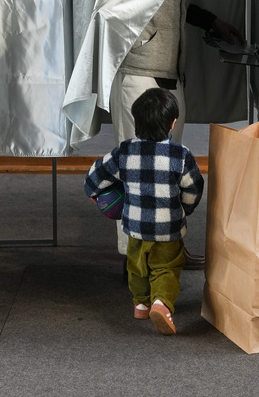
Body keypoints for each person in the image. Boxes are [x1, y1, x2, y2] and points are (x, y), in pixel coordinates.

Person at [109, 0, 241, 268]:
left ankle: (169, 247)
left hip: (167, 73)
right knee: (136, 168)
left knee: (165, 169)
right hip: (140, 70)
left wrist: (213, 21)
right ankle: (133, 258)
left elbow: (176, 8)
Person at [85, 88, 204, 335]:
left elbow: (95, 175)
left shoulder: (124, 151)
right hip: (168, 228)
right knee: (167, 267)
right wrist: (185, 210)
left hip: (135, 227)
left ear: (136, 121)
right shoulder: (181, 156)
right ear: (172, 123)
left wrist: (95, 194)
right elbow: (193, 189)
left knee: (136, 266)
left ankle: (141, 303)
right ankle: (162, 303)